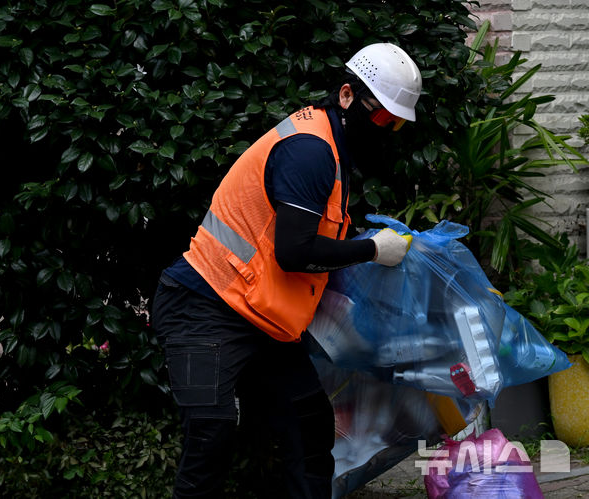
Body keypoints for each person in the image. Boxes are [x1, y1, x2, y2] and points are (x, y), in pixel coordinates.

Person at [151, 43, 422, 498]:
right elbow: (293, 253)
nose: (387, 131)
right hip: (199, 307)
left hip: (261, 319)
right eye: (381, 119)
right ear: (347, 96)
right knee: (210, 436)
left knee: (310, 429)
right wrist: (372, 250)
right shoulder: (310, 151)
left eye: (395, 123)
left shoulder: (332, 149)